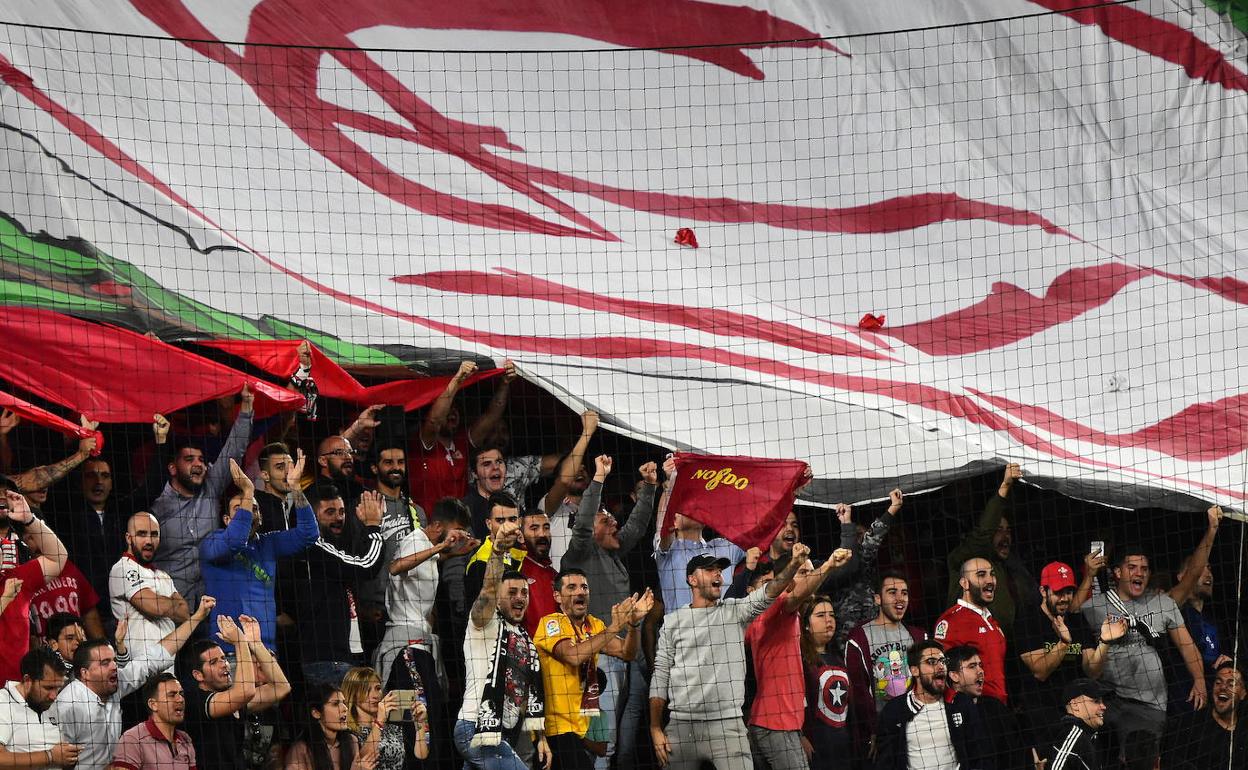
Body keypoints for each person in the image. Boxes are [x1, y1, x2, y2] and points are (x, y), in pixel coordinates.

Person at [649, 545, 809, 770]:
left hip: (727, 726)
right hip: (682, 726)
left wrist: (793, 564)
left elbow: (770, 591)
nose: (718, 574)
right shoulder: (672, 622)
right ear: (692, 580)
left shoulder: (734, 612)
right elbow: (660, 674)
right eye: (709, 570)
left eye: (719, 570)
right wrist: (655, 728)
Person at [563, 456, 657, 770]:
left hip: (629, 654)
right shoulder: (581, 553)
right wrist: (599, 477)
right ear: (591, 530)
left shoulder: (611, 552)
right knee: (604, 742)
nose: (615, 522)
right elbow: (585, 520)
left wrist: (650, 489)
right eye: (607, 520)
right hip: (602, 658)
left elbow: (637, 526)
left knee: (624, 743)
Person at [50, 596, 215, 770]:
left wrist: (196, 617)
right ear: (85, 673)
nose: (114, 666)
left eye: (114, 660)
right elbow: (53, 760)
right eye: (105, 663)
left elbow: (155, 657)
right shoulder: (68, 704)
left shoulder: (114, 684)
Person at [1079, 544, 1206, 754]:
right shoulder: (1095, 606)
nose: (1140, 572)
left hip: (1149, 707)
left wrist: (1199, 679)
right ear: (1118, 572)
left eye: (1145, 568)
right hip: (1107, 704)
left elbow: (1187, 645)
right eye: (1132, 567)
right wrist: (1088, 576)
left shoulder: (1162, 602)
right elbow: (1071, 617)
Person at [454, 519, 551, 770]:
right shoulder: (484, 623)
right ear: (498, 600)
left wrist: (540, 737)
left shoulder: (524, 638)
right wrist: (497, 551)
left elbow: (526, 693)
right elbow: (487, 589)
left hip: (503, 733)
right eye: (511, 593)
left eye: (524, 592)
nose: (519, 597)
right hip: (475, 727)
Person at [534, 568, 650, 770]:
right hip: (558, 729)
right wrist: (614, 627)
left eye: (584, 587)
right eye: (572, 587)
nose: (580, 592)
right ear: (557, 596)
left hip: (584, 728)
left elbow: (627, 653)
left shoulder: (594, 625)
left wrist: (633, 625)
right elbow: (572, 656)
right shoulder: (550, 623)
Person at [747, 549, 852, 770]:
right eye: (803, 573)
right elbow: (796, 595)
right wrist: (829, 565)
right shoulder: (778, 607)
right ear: (787, 578)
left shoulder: (783, 615)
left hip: (771, 722)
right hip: (776, 724)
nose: (811, 579)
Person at [201, 456, 319, 655]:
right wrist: (248, 492)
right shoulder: (212, 542)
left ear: (261, 517)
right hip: (227, 651)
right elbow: (236, 540)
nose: (247, 512)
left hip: (266, 650)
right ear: (227, 519)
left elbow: (309, 535)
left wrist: (296, 488)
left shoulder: (268, 543)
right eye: (239, 509)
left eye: (254, 508)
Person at [151, 384, 254, 606]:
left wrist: (246, 406)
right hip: (171, 604)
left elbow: (234, 450)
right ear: (172, 468)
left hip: (211, 601)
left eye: (200, 459)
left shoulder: (211, 488)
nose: (198, 464)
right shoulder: (157, 501)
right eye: (189, 460)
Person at [287, 484, 385, 686]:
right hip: (327, 661)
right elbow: (366, 566)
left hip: (344, 658)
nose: (339, 518)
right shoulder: (312, 546)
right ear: (311, 517)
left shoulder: (331, 548)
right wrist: (374, 526)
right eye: (330, 512)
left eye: (341, 512)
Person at [1015, 561, 1125, 735]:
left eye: (1069, 592)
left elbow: (1092, 671)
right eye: (1059, 592)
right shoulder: (1028, 621)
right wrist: (1064, 643)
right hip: (1042, 713)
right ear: (1043, 591)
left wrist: (1105, 642)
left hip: (1077, 713)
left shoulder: (1077, 621)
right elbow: (1040, 671)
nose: (1065, 598)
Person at [376, 497, 475, 686]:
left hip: (418, 640)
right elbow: (395, 567)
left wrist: (454, 553)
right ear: (438, 527)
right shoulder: (414, 542)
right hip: (406, 645)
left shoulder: (426, 546)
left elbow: (430, 559)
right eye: (458, 531)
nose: (461, 536)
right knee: (418, 711)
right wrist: (442, 546)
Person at [178, 614, 292, 770]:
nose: (224, 664)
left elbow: (281, 687)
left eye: (223, 658)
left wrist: (256, 644)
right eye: (213, 662)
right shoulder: (194, 699)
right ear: (198, 675)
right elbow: (245, 692)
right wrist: (240, 642)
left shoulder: (234, 698)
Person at [409, 360, 514, 518]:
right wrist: (457, 380)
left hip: (462, 528)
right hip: (432, 529)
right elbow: (434, 421)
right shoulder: (424, 443)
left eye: (456, 409)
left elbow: (492, 417)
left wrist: (505, 383)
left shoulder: (462, 442)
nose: (453, 413)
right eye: (448, 409)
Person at [844, 571, 928, 760]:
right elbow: (859, 692)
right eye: (892, 592)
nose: (900, 599)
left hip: (918, 727)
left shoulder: (919, 636)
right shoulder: (859, 638)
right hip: (882, 733)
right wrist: (872, 731)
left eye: (904, 593)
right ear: (877, 599)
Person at [944, 464, 1035, 635]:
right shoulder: (963, 559)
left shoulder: (1009, 568)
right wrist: (1005, 486)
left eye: (1008, 531)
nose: (1006, 536)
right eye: (999, 530)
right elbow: (982, 533)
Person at [873, 640, 989, 770]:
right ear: (915, 670)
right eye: (932, 662)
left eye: (943, 662)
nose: (940, 666)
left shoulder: (961, 704)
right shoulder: (895, 710)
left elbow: (979, 754)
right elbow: (886, 762)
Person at [653, 456, 744, 614]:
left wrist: (790, 491)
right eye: (686, 507)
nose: (694, 508)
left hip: (723, 635)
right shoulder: (668, 551)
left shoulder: (725, 547)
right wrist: (672, 481)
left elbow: (761, 528)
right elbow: (663, 522)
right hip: (684, 636)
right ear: (674, 521)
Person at [0, 485, 70, 682]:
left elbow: (58, 558)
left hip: (16, 690)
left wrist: (29, 519)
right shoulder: (12, 587)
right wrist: (5, 598)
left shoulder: (16, 579)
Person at [108, 512, 188, 669]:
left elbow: (184, 613)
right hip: (136, 669)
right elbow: (154, 607)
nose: (149, 541)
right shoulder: (123, 569)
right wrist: (171, 604)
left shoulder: (163, 576)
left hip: (167, 667)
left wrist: (163, 604)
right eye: (141, 534)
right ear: (128, 538)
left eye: (154, 535)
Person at [830, 490, 904, 638]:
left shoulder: (867, 559)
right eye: (856, 535)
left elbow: (872, 540)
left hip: (872, 625)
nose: (861, 540)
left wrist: (894, 508)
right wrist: (893, 508)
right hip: (847, 626)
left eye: (863, 535)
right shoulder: (838, 562)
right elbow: (873, 538)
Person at [933, 557, 1008, 703]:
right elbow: (941, 672)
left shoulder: (993, 621)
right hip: (973, 711)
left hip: (999, 708)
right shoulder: (951, 621)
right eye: (981, 575)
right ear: (964, 583)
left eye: (992, 574)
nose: (990, 580)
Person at [945, 645, 1028, 770]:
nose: (980, 671)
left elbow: (1017, 751)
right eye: (972, 666)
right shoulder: (944, 712)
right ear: (954, 676)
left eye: (980, 665)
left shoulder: (995, 707)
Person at [1161, 661, 1247, 770]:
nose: (1223, 687)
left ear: (1243, 693)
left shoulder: (1244, 730)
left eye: (1231, 684)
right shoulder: (1190, 725)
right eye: (1218, 682)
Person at [0, 648, 77, 769]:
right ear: (27, 680)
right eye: (48, 687)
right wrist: (50, 756)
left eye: (58, 688)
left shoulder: (50, 704)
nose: (54, 696)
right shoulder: (3, 702)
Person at [540, 410, 598, 569]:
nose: (580, 471)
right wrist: (587, 432)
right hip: (561, 586)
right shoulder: (548, 508)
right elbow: (565, 480)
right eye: (574, 469)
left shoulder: (598, 511)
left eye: (584, 469)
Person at [798, 596, 851, 770]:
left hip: (843, 748)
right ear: (806, 624)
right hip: (816, 748)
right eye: (821, 615)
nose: (829, 620)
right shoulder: (801, 661)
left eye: (832, 615)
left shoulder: (840, 658)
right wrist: (801, 736)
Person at [342, 667, 430, 770]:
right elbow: (362, 762)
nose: (375, 695)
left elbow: (421, 755)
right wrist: (379, 722)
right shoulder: (347, 731)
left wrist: (420, 723)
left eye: (378, 688)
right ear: (353, 694)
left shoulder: (393, 728)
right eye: (366, 690)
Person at [108, 673, 196, 770]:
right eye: (172, 695)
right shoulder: (133, 739)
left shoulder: (185, 739)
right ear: (153, 704)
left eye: (181, 694)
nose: (180, 699)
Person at [285, 683, 376, 770]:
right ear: (316, 713)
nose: (345, 708)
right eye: (335, 704)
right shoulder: (301, 750)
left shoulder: (352, 741)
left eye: (343, 702)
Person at [463, 493, 526, 609]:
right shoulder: (479, 563)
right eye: (500, 521)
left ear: (520, 522)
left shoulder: (524, 554)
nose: (507, 527)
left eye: (512, 519)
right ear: (489, 524)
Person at [1035, 679, 1106, 770]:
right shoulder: (1073, 736)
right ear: (1075, 705)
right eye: (1096, 701)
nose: (1104, 706)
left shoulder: (1088, 734)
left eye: (1102, 701)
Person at [519, 510, 559, 638]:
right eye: (534, 528)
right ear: (521, 536)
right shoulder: (517, 572)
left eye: (546, 528)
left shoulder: (556, 576)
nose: (542, 534)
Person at [462, 448, 509, 539]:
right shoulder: (464, 511)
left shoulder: (513, 505)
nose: (495, 467)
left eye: (499, 462)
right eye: (487, 464)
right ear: (474, 474)